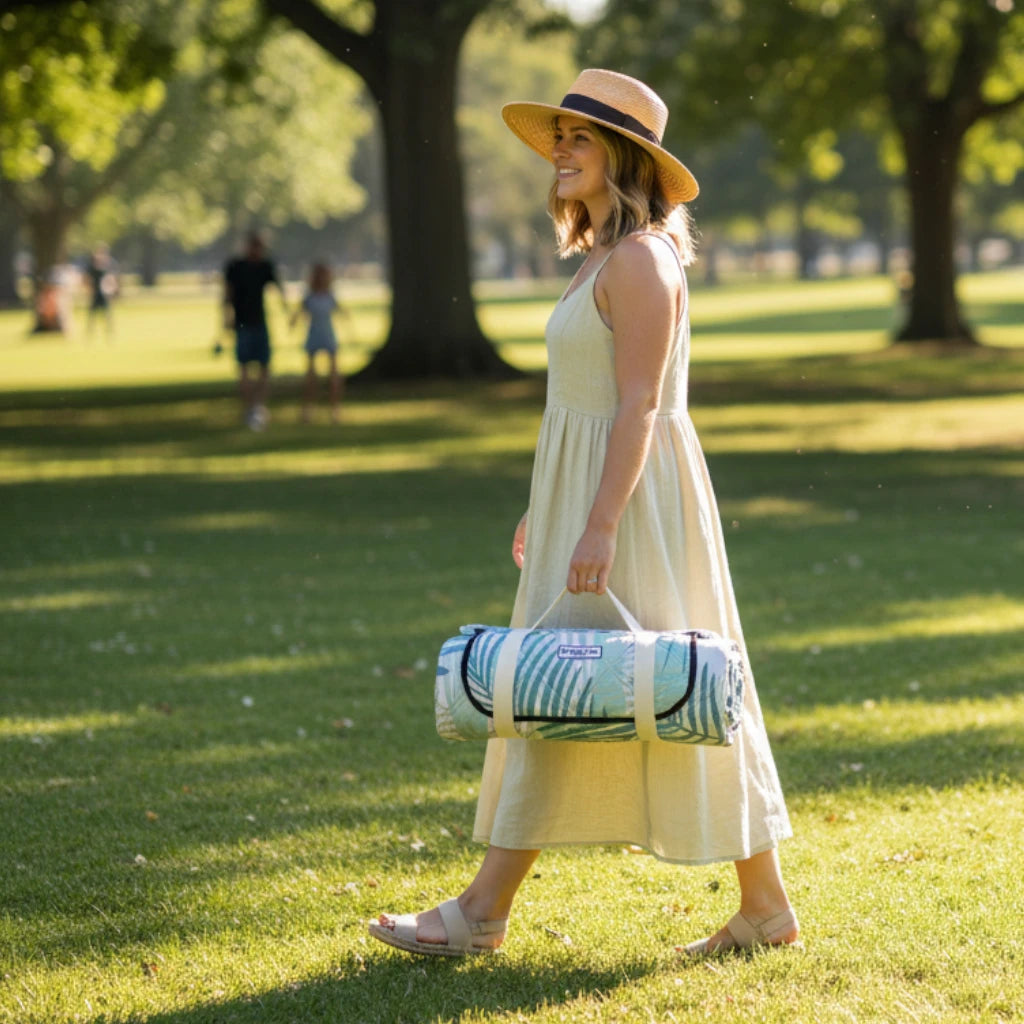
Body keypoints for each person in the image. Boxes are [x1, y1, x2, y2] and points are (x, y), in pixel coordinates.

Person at [369, 70, 797, 958]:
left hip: (634, 506)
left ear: (624, 157)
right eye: (558, 136)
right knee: (635, 684)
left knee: (662, 684)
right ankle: (764, 909)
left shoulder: (640, 260)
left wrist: (598, 523)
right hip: (593, 494)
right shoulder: (602, 255)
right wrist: (549, 507)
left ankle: (483, 910)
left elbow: (640, 406)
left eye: (580, 139)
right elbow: (583, 402)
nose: (560, 152)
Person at [222, 232, 286, 430]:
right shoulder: (236, 267)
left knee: (264, 366)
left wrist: (286, 308)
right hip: (242, 323)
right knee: (243, 366)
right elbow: (228, 294)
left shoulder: (265, 266)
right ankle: (250, 407)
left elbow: (277, 287)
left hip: (260, 322)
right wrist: (227, 317)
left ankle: (258, 406)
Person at [290, 262, 348, 423]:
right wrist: (293, 322)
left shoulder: (330, 295)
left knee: (334, 375)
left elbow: (341, 311)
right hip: (314, 336)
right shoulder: (310, 297)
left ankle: (335, 410)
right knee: (310, 376)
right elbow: (298, 313)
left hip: (328, 336)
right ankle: (308, 410)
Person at [85, 244, 117, 340]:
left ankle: (109, 333)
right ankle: (90, 333)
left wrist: (111, 290)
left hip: (104, 294)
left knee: (106, 314)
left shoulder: (106, 268)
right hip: (95, 294)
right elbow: (87, 280)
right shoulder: (92, 268)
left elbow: (111, 280)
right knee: (92, 315)